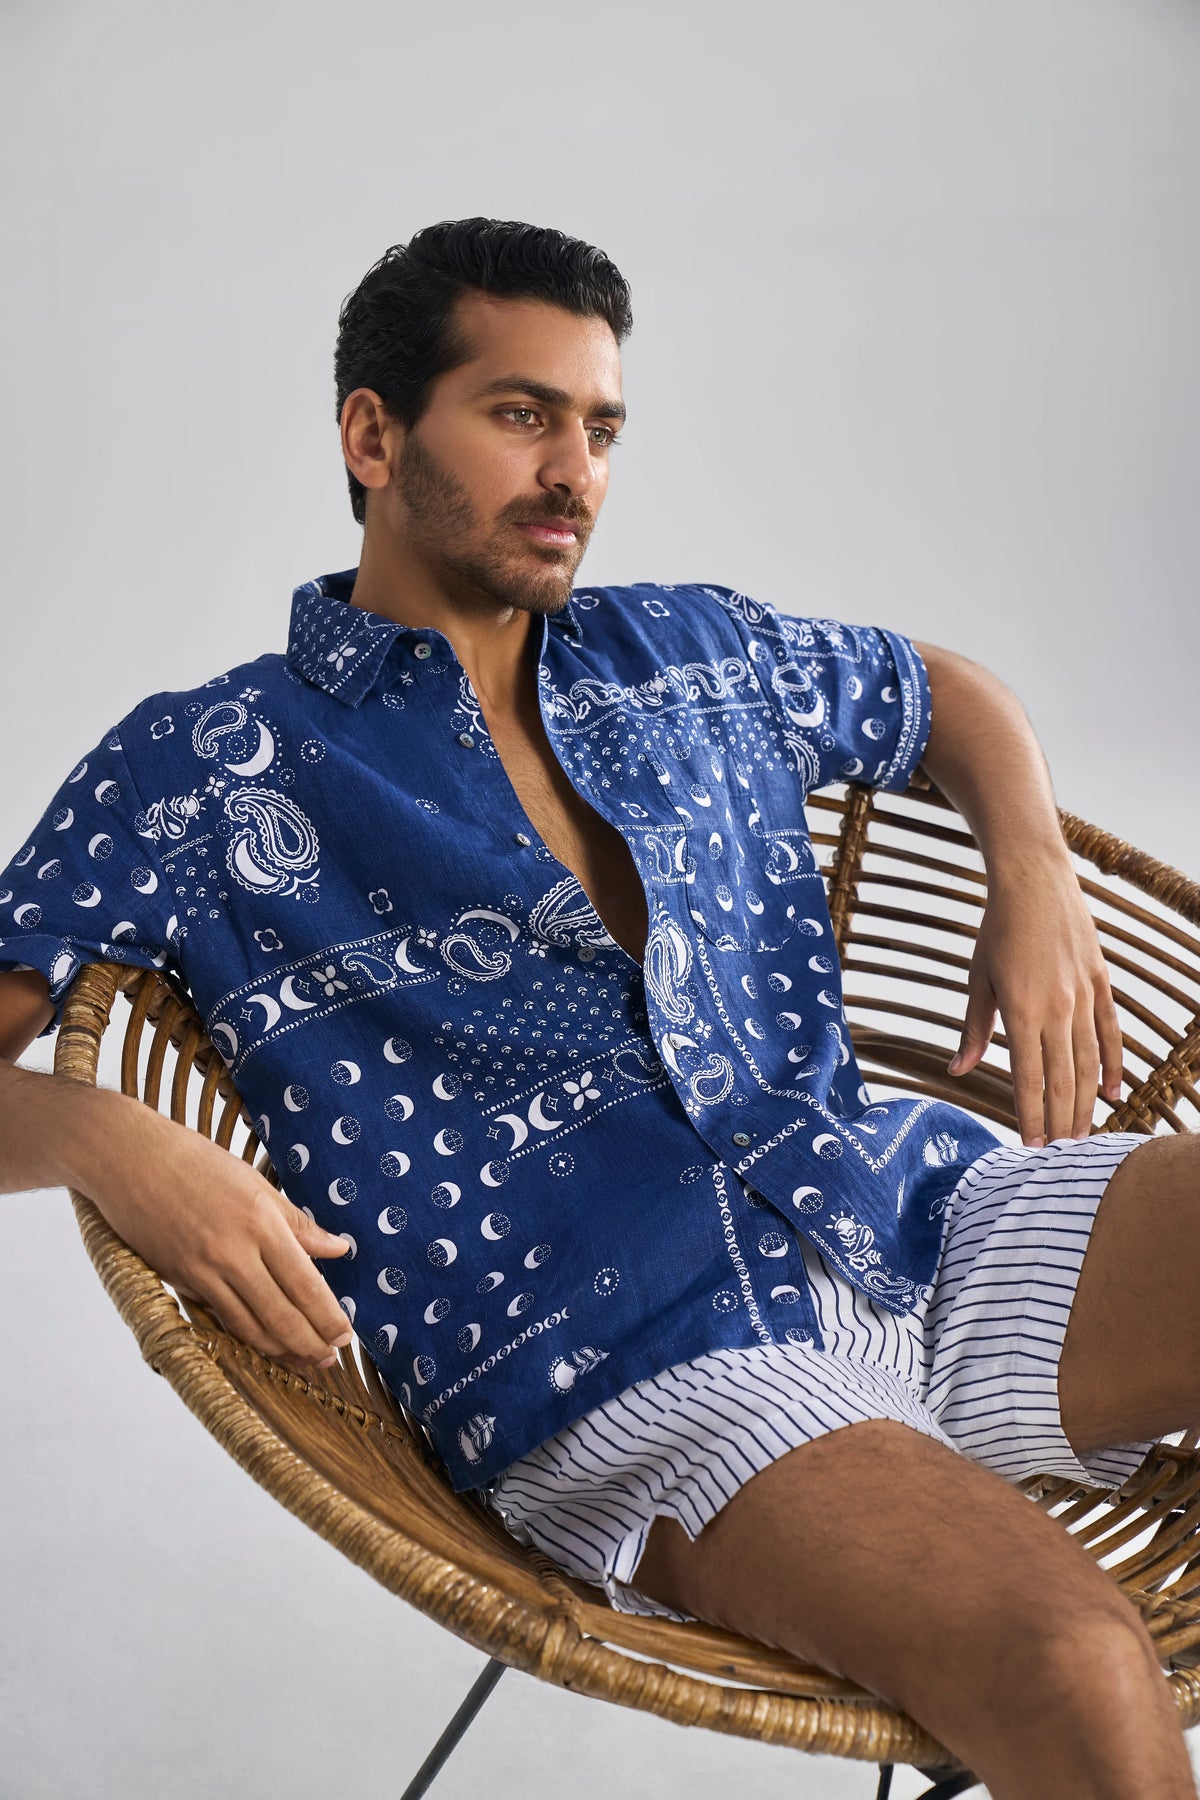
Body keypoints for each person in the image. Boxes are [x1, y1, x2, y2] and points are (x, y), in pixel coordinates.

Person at [1, 217, 1196, 1798]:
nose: (575, 471)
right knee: (1078, 1665)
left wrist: (1029, 868)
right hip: (637, 1365)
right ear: (374, 436)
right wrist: (101, 1138)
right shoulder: (207, 768)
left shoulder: (686, 651)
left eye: (601, 426)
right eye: (522, 415)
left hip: (908, 1218)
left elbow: (943, 696)